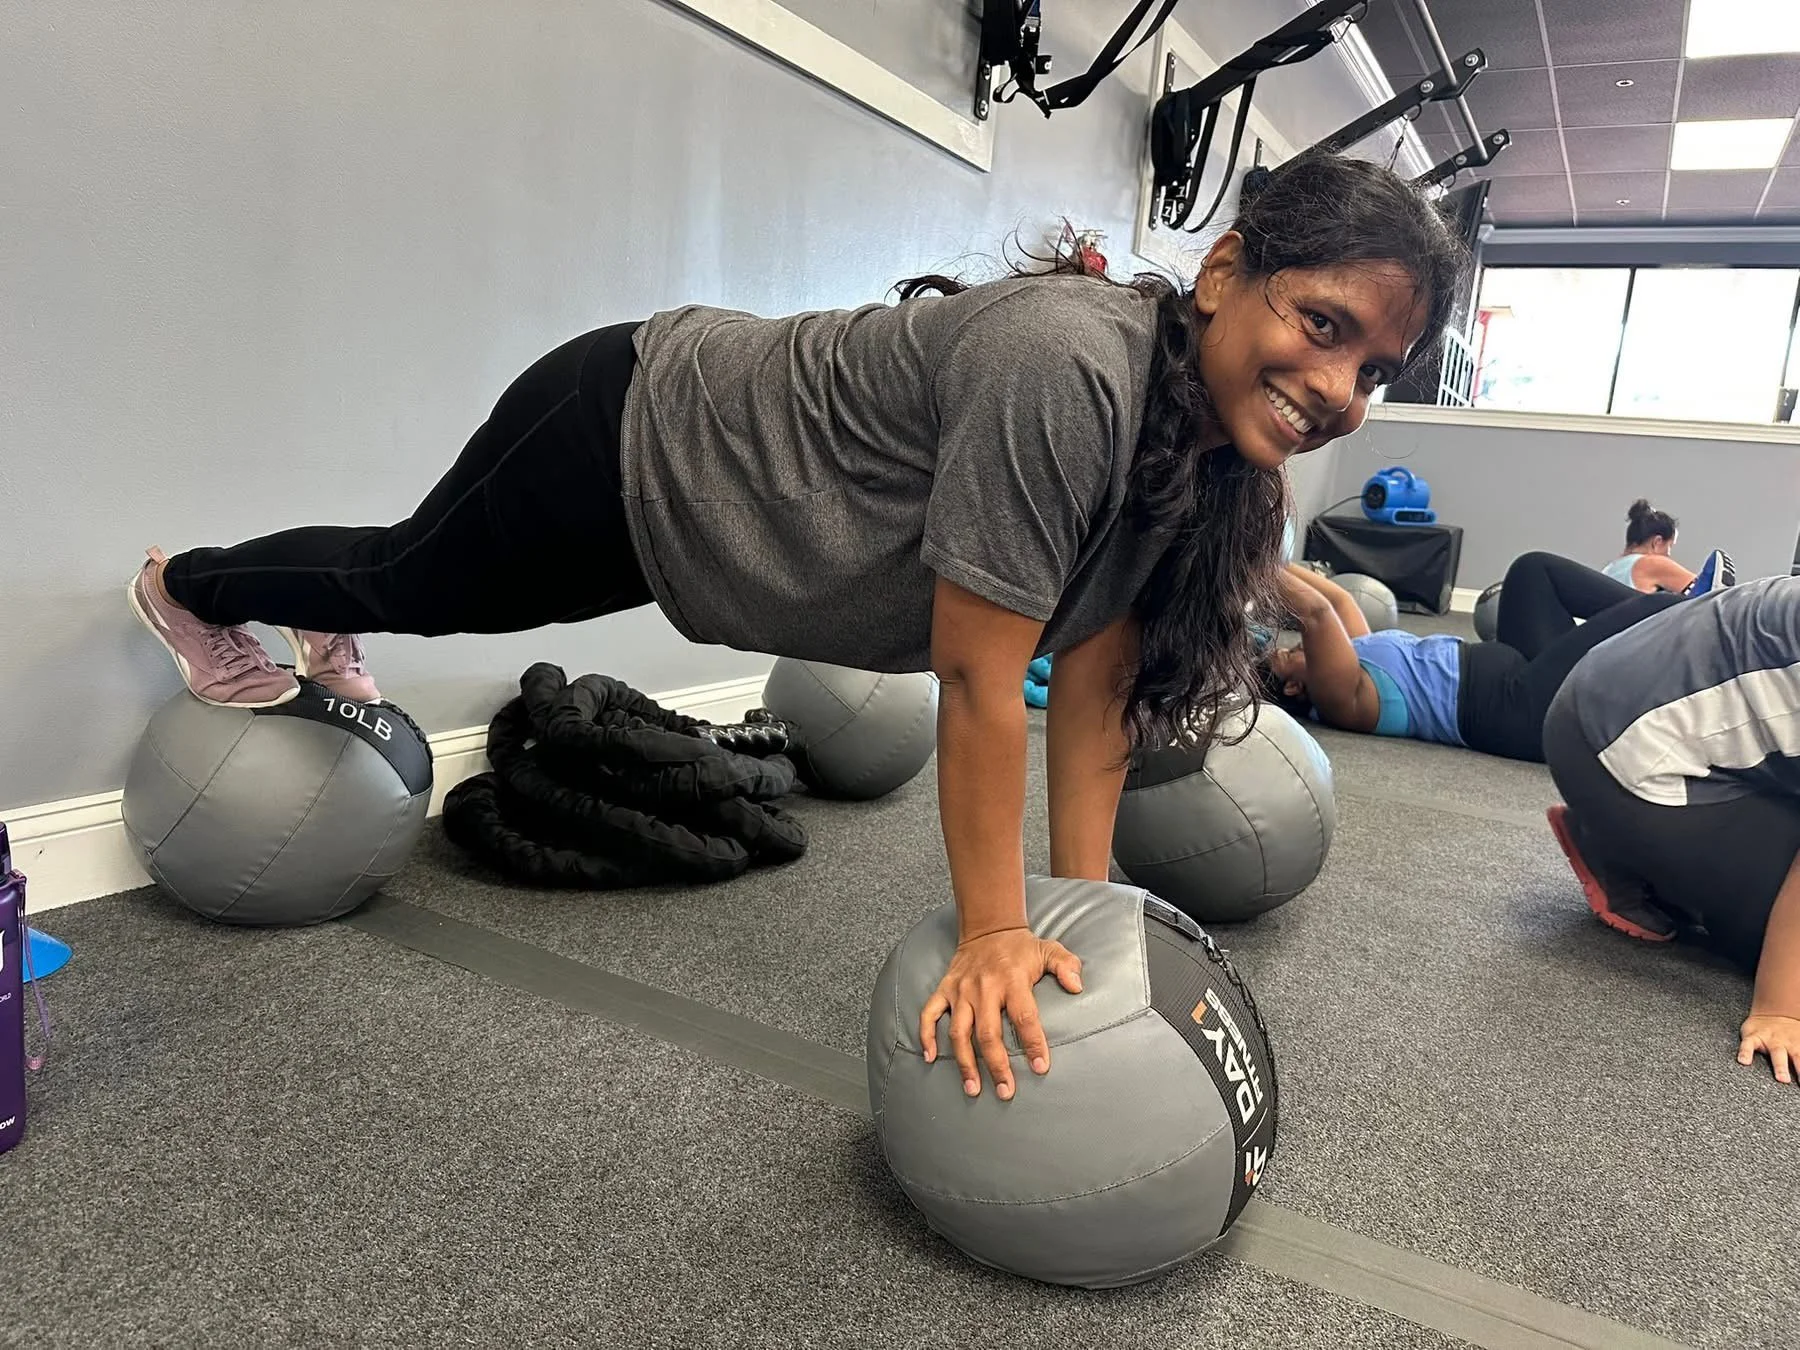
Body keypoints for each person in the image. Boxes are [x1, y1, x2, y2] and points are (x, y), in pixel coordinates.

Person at [125, 151, 1468, 1101]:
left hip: (704, 531)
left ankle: (286, 615)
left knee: (406, 580)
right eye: (1323, 324)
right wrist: (995, 930)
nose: (1338, 386)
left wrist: (1081, 904)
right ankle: (193, 582)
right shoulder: (1069, 366)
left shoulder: (1202, 449)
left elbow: (1103, 664)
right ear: (1228, 270)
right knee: (409, 581)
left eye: (1376, 370)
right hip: (635, 431)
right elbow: (980, 675)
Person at [1542, 577, 1800, 1086]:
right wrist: (1783, 1010)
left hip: (1596, 698)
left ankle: (1619, 841)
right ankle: (1618, 843)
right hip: (1623, 753)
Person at [1262, 550, 1729, 762]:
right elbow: (1317, 613)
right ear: (1295, 687)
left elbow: (1341, 602)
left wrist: (1271, 560)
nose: (1290, 647)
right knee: (1650, 611)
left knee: (1533, 571)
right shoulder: (1343, 699)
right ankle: (1707, 616)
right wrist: (1241, 558)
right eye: (1285, 656)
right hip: (1522, 713)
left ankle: (1688, 611)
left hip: (1519, 670)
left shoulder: (1356, 655)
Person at [1600, 498, 1733, 595]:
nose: (1669, 554)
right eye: (1669, 545)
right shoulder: (1649, 564)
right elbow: (1702, 590)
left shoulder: (1608, 570)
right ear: (1657, 542)